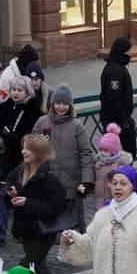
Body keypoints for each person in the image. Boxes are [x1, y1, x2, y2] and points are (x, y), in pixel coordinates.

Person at [0, 74, 44, 249]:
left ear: (27, 92)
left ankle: (22, 229)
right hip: (2, 159)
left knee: (21, 195)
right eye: (13, 90)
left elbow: (30, 136)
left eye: (20, 90)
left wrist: (10, 136)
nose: (16, 93)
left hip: (22, 159)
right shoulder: (4, 107)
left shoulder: (33, 111)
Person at [0, 134, 66, 274]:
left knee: (28, 264)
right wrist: (12, 193)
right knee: (39, 266)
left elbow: (55, 206)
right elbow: (9, 188)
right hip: (26, 228)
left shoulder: (48, 178)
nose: (23, 151)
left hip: (43, 230)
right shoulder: (20, 171)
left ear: (39, 151)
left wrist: (27, 203)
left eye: (28, 148)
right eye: (23, 148)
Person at [33, 82, 94, 233]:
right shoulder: (42, 122)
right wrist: (38, 142)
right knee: (49, 226)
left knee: (74, 225)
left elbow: (86, 153)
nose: (61, 107)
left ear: (70, 106)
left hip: (72, 183)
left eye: (65, 104)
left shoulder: (77, 126)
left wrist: (86, 181)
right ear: (52, 104)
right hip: (49, 181)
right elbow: (30, 146)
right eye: (58, 103)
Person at [100, 36, 137, 155]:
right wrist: (124, 121)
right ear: (122, 52)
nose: (131, 54)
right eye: (129, 50)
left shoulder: (118, 67)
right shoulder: (115, 71)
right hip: (116, 122)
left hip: (120, 121)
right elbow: (113, 99)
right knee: (123, 154)